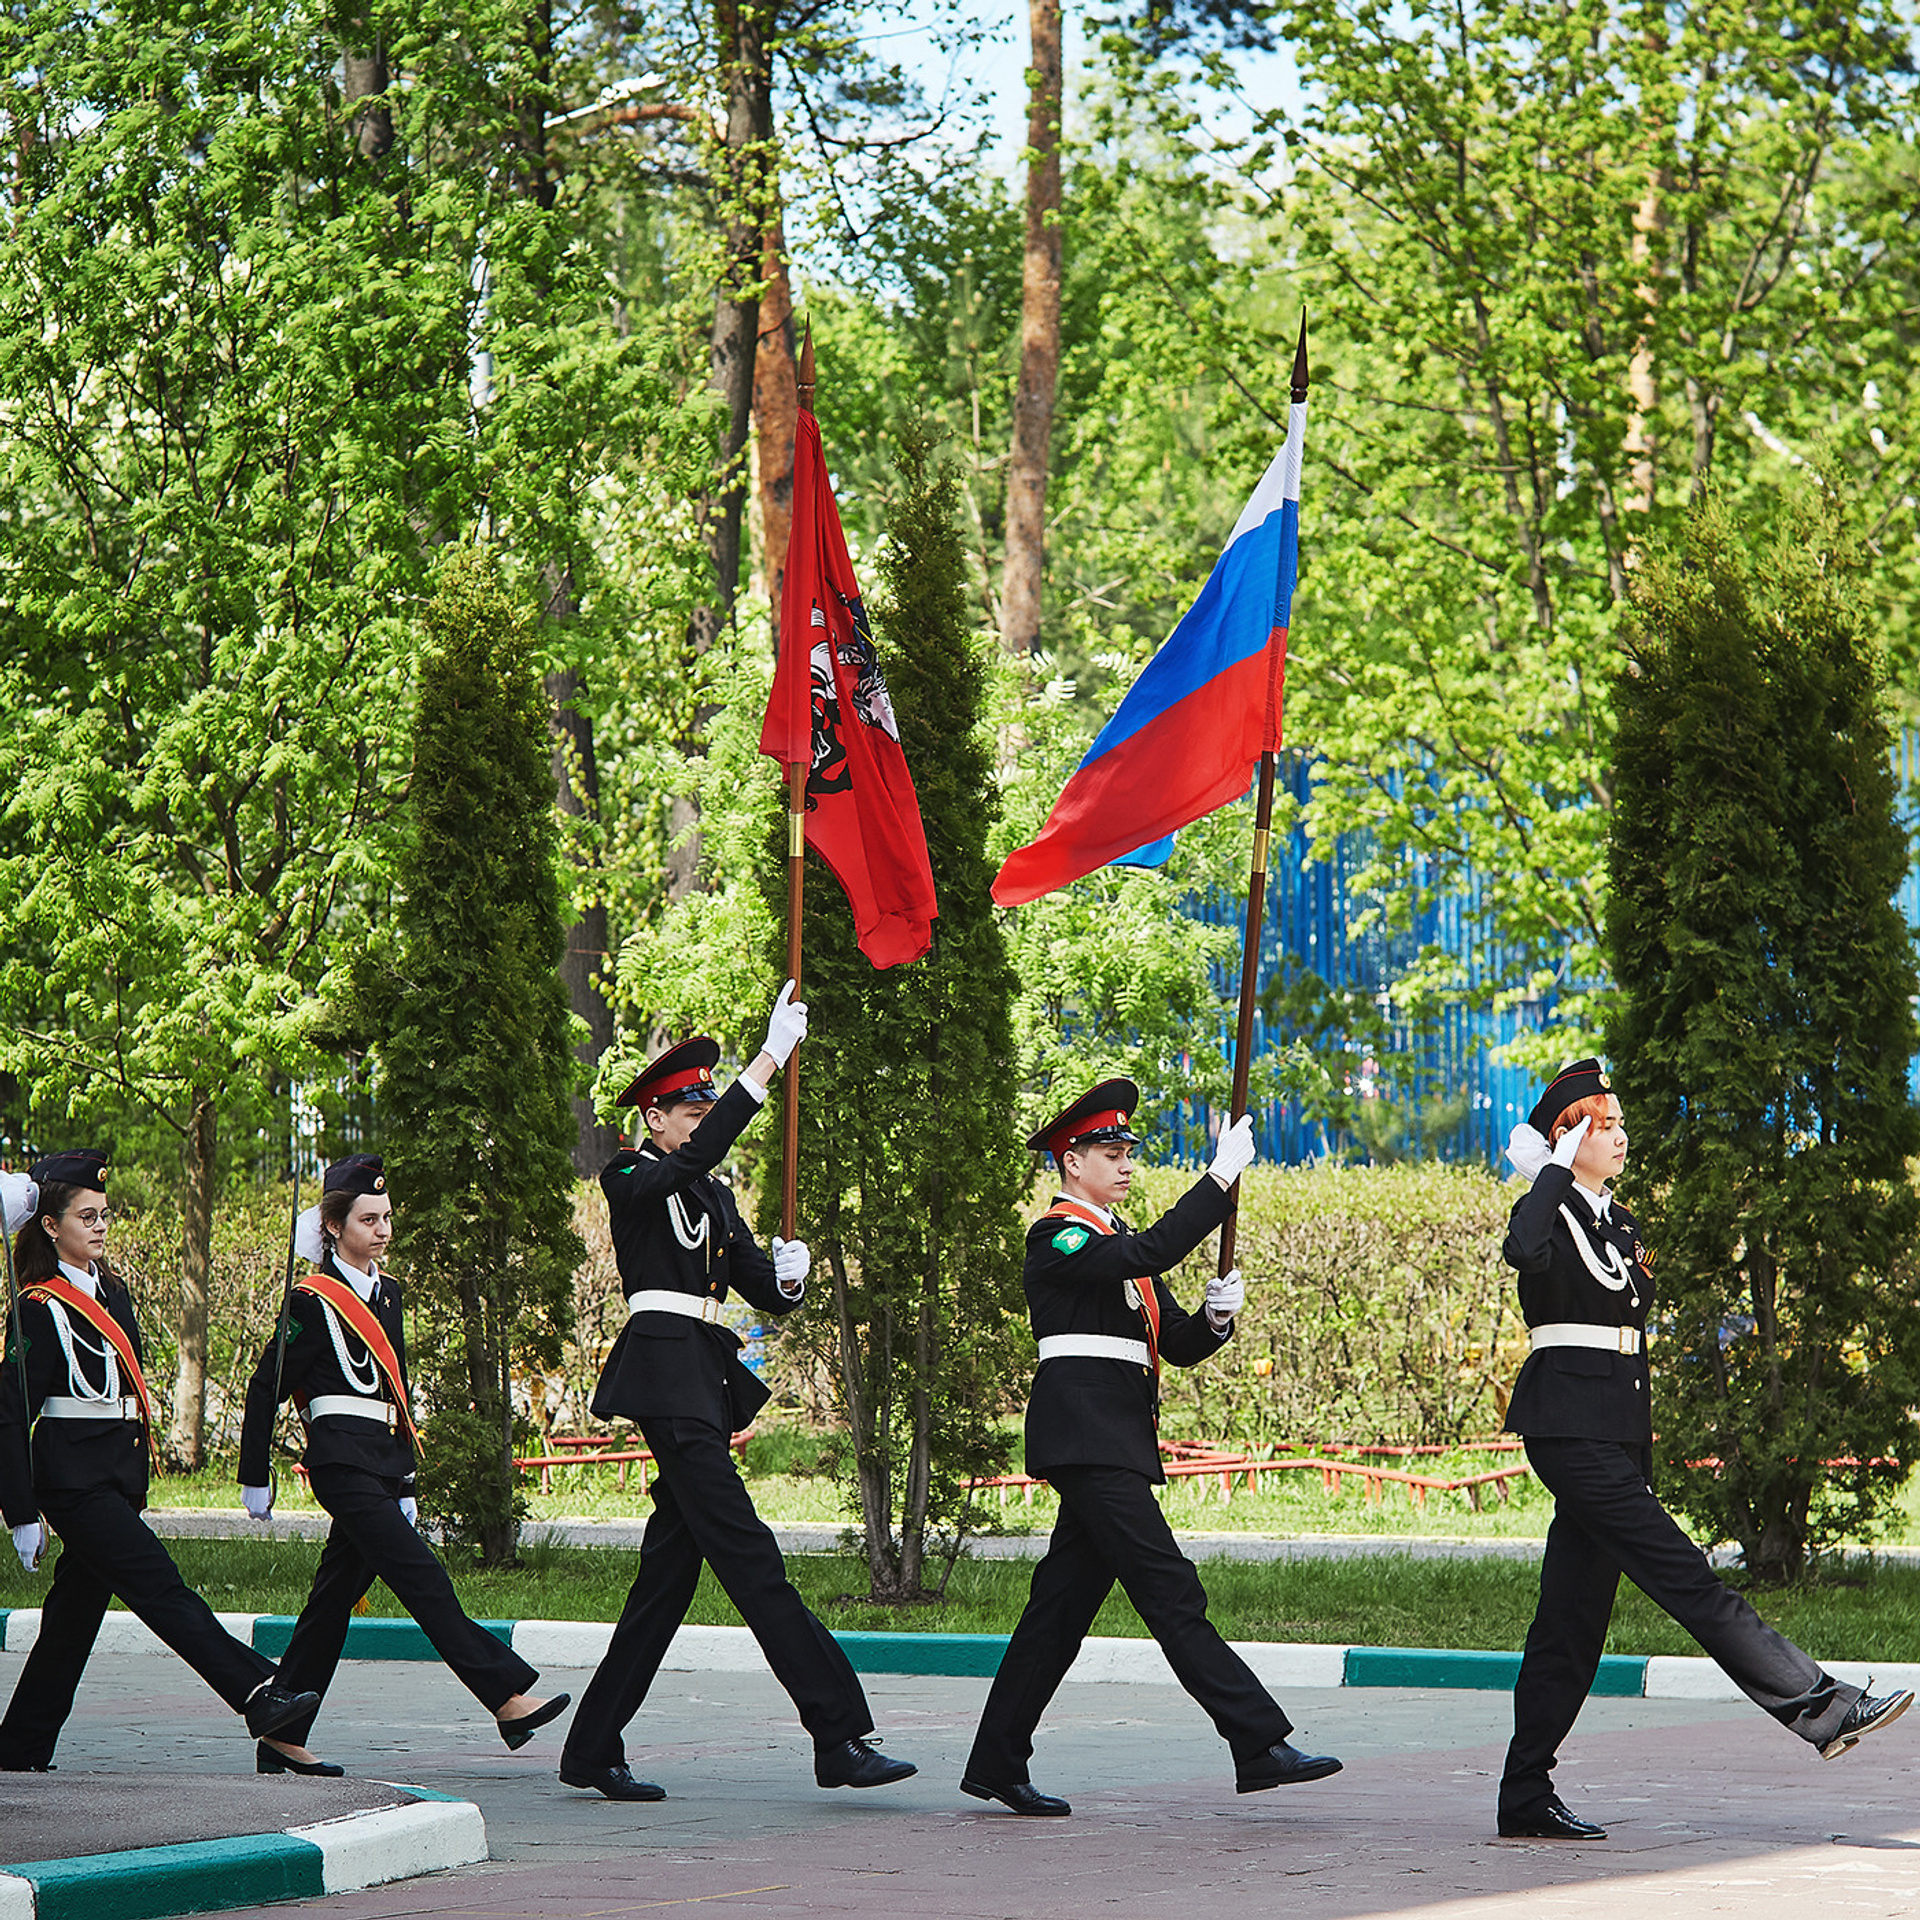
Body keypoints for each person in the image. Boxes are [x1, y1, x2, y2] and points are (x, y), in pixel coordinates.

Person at [1496, 1060, 1912, 1840]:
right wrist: (1550, 1169)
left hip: (1617, 1430)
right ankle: (1821, 1707)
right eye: (1603, 1124)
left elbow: (1632, 1301)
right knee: (1688, 1579)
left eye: (1619, 1123)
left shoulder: (1615, 1224)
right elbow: (1523, 1253)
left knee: (1571, 1623)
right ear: (1568, 1135)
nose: (1621, 1136)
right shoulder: (1544, 1212)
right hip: (1569, 1429)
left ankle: (1524, 1793)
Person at [558, 983, 915, 1802]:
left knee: (666, 1581)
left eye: (705, 1105)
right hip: (666, 1379)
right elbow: (690, 1162)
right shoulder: (630, 1177)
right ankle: (838, 1733)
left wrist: (791, 1280)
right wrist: (763, 1067)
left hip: (703, 1382)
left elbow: (757, 1285)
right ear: (655, 1118)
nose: (699, 1116)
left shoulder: (714, 1196)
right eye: (688, 1108)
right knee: (754, 1561)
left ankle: (591, 1746)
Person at [962, 1081, 1341, 1816]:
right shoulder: (1061, 1235)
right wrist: (1219, 1179)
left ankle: (996, 1761)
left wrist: (1217, 1319)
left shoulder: (1117, 1243)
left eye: (1127, 1151)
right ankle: (1257, 1741)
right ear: (1072, 1163)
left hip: (1114, 1441)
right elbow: (1159, 1244)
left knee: (1058, 1614)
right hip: (1088, 1440)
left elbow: (1176, 1342)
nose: (1125, 1162)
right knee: (1171, 1591)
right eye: (1110, 1152)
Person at [237, 1153, 568, 1774]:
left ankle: (282, 1733)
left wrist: (408, 1478)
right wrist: (257, 1473)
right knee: (422, 1578)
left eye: (387, 1217)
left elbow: (399, 1391)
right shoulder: (310, 1300)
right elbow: (266, 1387)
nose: (382, 1229)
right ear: (333, 1226)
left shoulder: (386, 1293)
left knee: (331, 1603)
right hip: (340, 1463)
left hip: (384, 1463)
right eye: (368, 1218)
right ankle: (505, 1696)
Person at [0, 1149, 319, 1769]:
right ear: (49, 1225)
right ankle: (255, 1691)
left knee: (71, 1622)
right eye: (86, 1215)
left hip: (115, 1480)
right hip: (70, 1482)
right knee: (162, 1587)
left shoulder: (113, 1293)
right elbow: (9, 1413)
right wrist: (20, 1512)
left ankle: (19, 1745)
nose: (99, 1226)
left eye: (104, 1215)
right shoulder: (36, 1307)